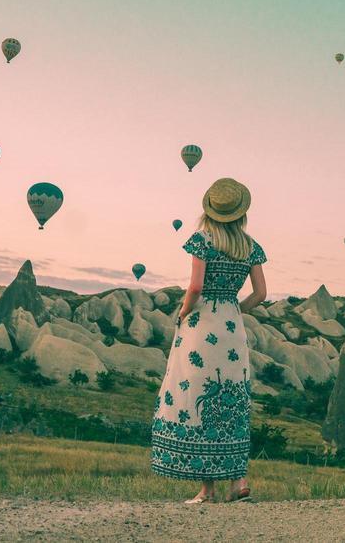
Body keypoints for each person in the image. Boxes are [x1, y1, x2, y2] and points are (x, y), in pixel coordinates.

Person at [150, 177, 268, 504]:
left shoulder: (202, 240)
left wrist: (182, 313)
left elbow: (195, 287)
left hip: (202, 326)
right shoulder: (250, 246)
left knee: (199, 395)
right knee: (232, 398)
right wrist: (235, 309)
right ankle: (239, 482)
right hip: (231, 326)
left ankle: (207, 490)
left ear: (210, 210)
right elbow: (261, 293)